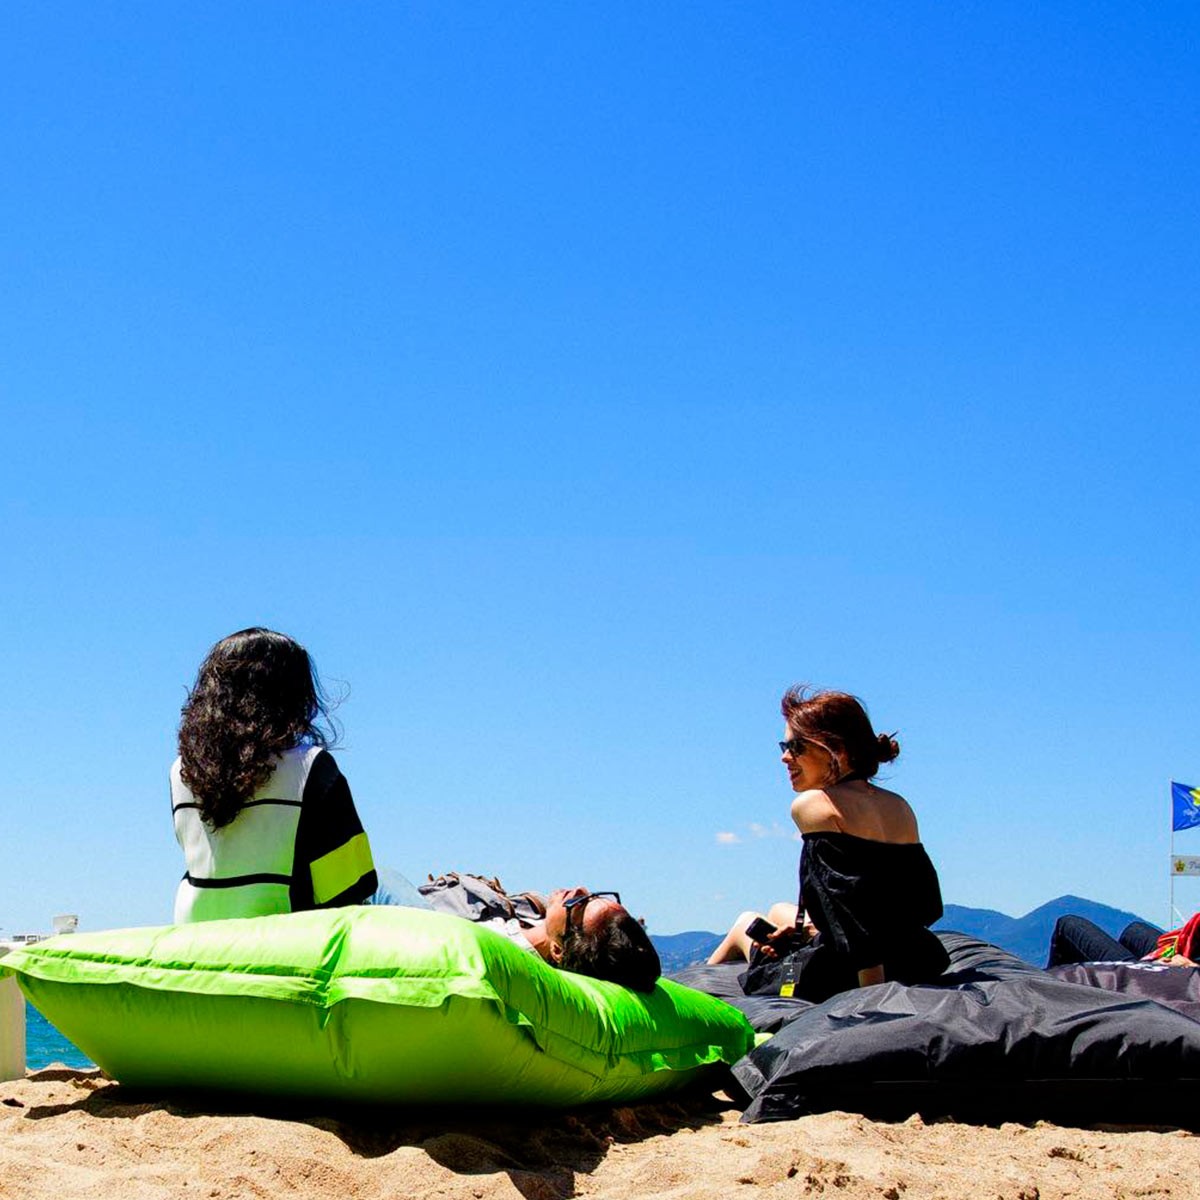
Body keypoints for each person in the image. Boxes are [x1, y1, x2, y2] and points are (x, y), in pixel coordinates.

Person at [708, 687, 948, 1002]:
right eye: (784, 745)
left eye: (796, 746)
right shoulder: (898, 806)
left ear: (837, 750)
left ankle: (687, 1002)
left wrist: (875, 998)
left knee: (744, 923)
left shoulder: (815, 805)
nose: (784, 756)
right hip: (918, 956)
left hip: (848, 973)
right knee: (779, 911)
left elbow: (851, 909)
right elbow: (923, 902)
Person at [171, 628, 378, 923]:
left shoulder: (182, 771)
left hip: (196, 938)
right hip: (283, 944)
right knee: (389, 885)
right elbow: (350, 888)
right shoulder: (311, 766)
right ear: (293, 695)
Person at [405, 872, 662, 993]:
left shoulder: (495, 949)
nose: (579, 888)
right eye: (593, 894)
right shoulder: (536, 911)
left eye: (579, 904)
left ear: (559, 950)